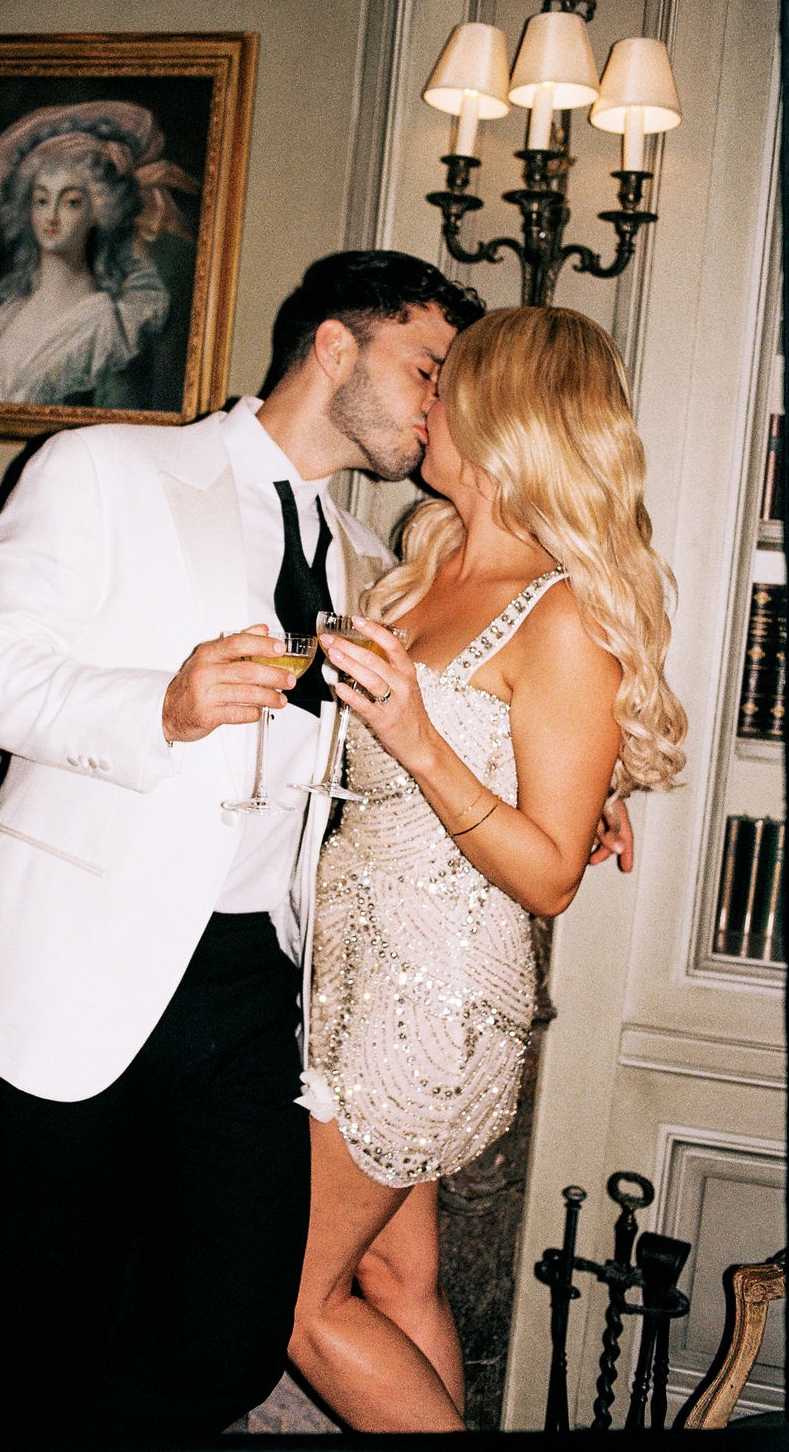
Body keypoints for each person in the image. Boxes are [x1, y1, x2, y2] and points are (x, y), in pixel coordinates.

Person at [0, 249, 486, 1445]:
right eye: (427, 369)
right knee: (45, 1329)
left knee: (232, 1329)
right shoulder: (106, 468)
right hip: (71, 962)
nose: (440, 407)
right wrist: (157, 706)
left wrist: (570, 793)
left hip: (251, 974)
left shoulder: (368, 562)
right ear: (334, 344)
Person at [289, 305, 687, 1433]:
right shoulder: (422, 569)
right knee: (392, 1281)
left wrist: (422, 740)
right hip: (352, 977)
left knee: (293, 1300)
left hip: (429, 1007)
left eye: (446, 384)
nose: (425, 401)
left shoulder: (561, 612)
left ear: (501, 418)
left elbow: (550, 877)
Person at [0, 100, 197, 411]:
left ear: (98, 210)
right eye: (42, 200)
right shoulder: (6, 311)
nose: (52, 216)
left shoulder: (106, 324)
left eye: (70, 202)